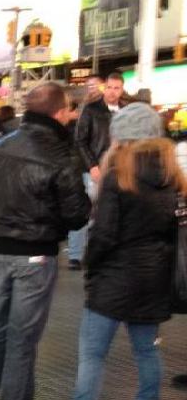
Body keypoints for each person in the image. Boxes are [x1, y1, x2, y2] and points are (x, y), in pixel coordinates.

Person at [38, 104, 182, 400]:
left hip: (115, 279)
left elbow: (103, 234)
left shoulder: (120, 176)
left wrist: (90, 264)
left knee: (93, 354)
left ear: (124, 137)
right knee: (147, 352)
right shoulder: (174, 177)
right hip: (155, 278)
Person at [0, 81, 91, 400]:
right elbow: (77, 214)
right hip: (36, 253)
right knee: (23, 335)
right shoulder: (61, 155)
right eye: (69, 109)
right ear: (57, 112)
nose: (71, 115)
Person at [70, 72, 125, 269]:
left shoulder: (125, 111)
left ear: (122, 89)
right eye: (109, 87)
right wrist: (92, 165)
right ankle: (75, 255)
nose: (112, 92)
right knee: (87, 211)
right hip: (93, 169)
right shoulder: (91, 110)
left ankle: (98, 252)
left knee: (109, 211)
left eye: (116, 88)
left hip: (119, 170)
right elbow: (80, 140)